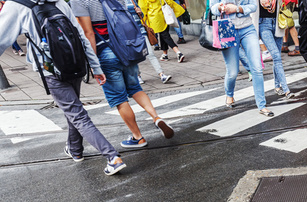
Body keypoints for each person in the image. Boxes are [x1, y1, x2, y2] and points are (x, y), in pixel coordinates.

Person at [0, 0, 125, 175]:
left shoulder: (16, 5)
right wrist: (95, 67)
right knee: (73, 110)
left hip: (51, 70)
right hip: (75, 64)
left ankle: (112, 157)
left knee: (77, 115)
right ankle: (75, 149)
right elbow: (80, 35)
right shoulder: (58, 1)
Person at [71, 0, 175, 148]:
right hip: (127, 49)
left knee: (119, 98)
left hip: (106, 53)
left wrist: (93, 64)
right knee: (136, 88)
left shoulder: (80, 1)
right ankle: (156, 117)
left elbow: (89, 33)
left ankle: (138, 137)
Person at [210, 0, 275, 117]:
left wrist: (237, 9)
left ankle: (262, 105)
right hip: (227, 29)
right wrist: (220, 7)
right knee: (232, 72)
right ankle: (229, 94)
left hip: (247, 28)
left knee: (257, 68)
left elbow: (253, 6)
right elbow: (212, 8)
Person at [127, 0, 173, 84]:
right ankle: (138, 76)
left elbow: (142, 15)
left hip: (141, 31)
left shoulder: (132, 1)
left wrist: (140, 12)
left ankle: (161, 74)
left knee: (151, 53)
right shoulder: (118, 2)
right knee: (134, 57)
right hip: (129, 34)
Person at [260, 0, 295, 99]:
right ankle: (286, 90)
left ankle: (277, 86)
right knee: (276, 56)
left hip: (278, 22)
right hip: (263, 25)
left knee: (277, 57)